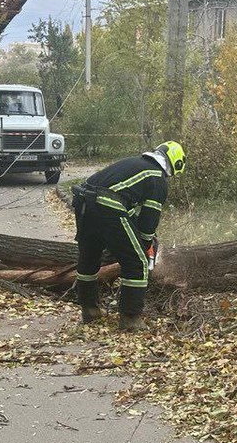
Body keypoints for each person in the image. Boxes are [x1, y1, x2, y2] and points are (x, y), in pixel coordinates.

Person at [72, 141, 185, 331]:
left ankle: (89, 309)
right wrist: (146, 244)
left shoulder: (135, 164)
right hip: (107, 205)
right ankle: (131, 318)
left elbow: (126, 204)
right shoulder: (157, 178)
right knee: (136, 261)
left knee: (89, 256)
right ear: (176, 164)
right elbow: (149, 220)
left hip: (83, 201)